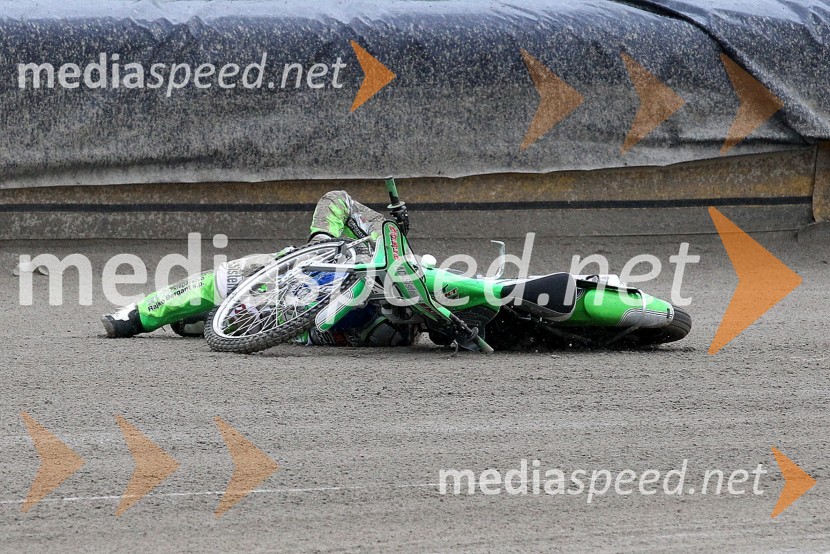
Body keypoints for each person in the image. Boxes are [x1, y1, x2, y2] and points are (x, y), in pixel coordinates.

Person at [101, 191, 418, 347]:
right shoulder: (383, 233)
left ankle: (145, 315)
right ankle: (137, 315)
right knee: (223, 283)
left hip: (315, 309)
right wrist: (323, 240)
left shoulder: (405, 315)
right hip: (302, 275)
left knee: (392, 334)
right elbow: (337, 199)